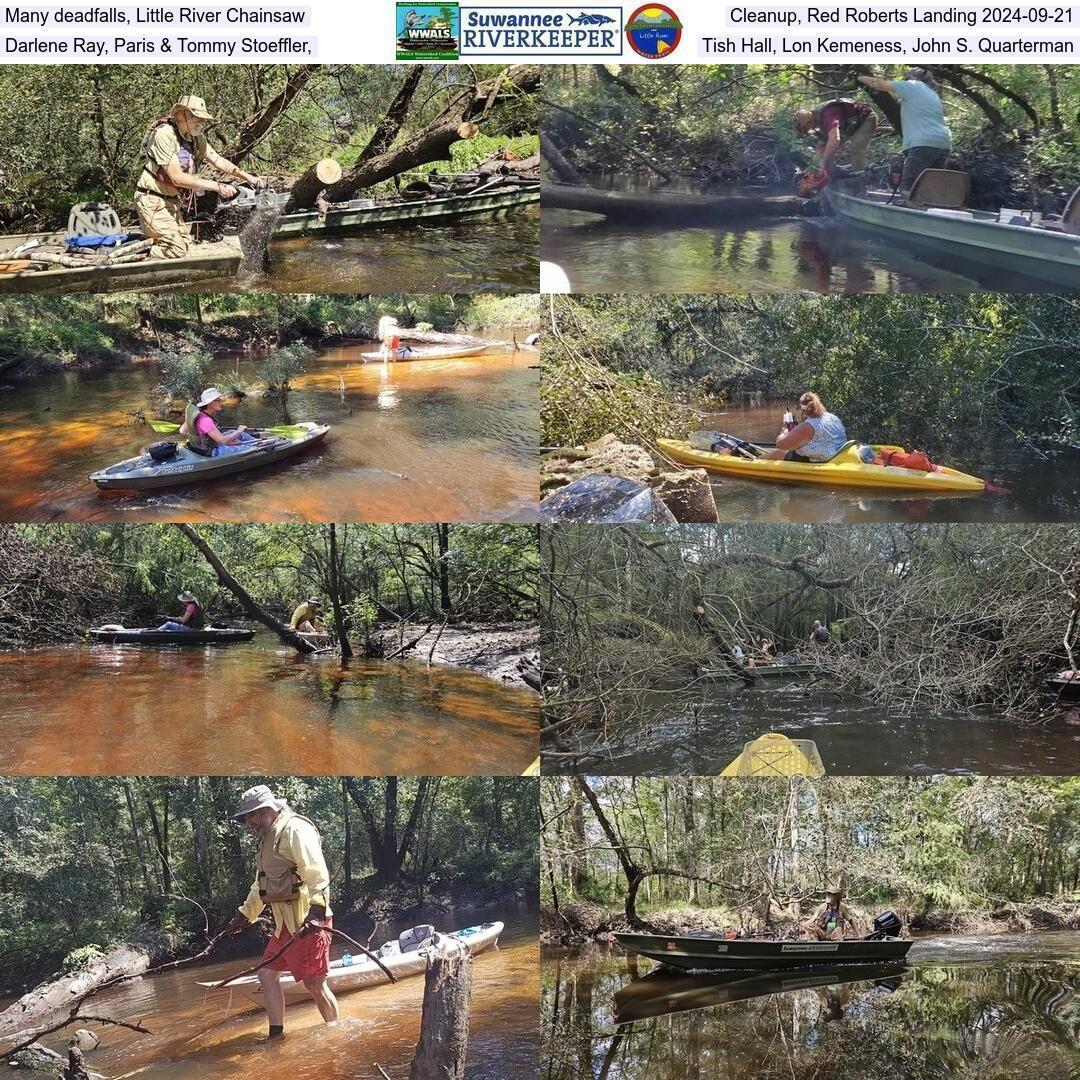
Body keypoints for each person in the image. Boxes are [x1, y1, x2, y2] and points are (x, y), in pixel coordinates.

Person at [226, 785, 339, 1039]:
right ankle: (276, 1037)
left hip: (308, 923)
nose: (247, 823)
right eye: (245, 818)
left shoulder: (296, 830)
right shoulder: (268, 838)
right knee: (266, 975)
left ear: (265, 810)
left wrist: (317, 911)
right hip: (283, 927)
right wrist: (244, 915)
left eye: (250, 816)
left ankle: (336, 1035)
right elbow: (261, 885)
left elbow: (317, 873)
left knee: (315, 984)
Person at [136, 95, 263, 259]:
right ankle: (132, 256)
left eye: (204, 120)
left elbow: (217, 160)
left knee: (185, 245)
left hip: (171, 202)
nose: (202, 123)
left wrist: (247, 177)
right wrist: (217, 186)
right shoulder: (164, 135)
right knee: (176, 249)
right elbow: (176, 178)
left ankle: (151, 247)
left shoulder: (196, 137)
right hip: (151, 200)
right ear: (182, 114)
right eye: (198, 118)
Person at [857, 69, 952, 191]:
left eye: (906, 79)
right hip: (943, 143)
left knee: (908, 186)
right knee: (930, 187)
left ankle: (907, 206)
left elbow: (879, 84)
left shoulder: (913, 85)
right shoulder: (932, 93)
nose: (904, 81)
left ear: (912, 77)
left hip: (923, 143)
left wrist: (858, 77)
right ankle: (930, 208)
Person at [794, 98, 877, 174]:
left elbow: (834, 140)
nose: (809, 130)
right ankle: (832, 177)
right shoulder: (817, 117)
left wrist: (823, 162)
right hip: (849, 123)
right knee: (825, 148)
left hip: (865, 117)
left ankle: (859, 179)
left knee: (856, 147)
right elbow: (821, 146)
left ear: (809, 121)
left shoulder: (828, 115)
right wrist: (815, 165)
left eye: (806, 128)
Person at [767, 392, 847, 462]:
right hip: (837, 455)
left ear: (804, 411)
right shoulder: (833, 417)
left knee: (776, 453)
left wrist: (784, 431)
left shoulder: (808, 426)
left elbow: (780, 445)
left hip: (819, 460)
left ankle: (756, 462)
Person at [179, 388, 258, 456]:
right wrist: (239, 431)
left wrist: (235, 436)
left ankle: (257, 441)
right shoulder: (206, 420)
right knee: (249, 447)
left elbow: (182, 431)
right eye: (218, 400)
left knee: (232, 432)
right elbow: (223, 440)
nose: (221, 402)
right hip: (210, 451)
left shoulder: (198, 414)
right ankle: (258, 446)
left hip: (201, 446)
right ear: (210, 403)